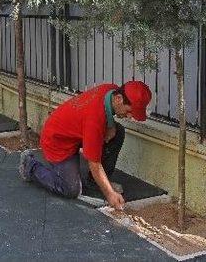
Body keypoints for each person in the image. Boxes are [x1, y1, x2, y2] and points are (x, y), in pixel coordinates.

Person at [18, 81, 152, 210]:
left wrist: (110, 125)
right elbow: (94, 163)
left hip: (76, 132)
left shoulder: (110, 89)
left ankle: (95, 182)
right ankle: (30, 166)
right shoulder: (94, 122)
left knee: (118, 132)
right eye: (129, 111)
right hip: (56, 142)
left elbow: (103, 109)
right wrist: (110, 194)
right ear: (118, 99)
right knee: (71, 189)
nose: (129, 116)